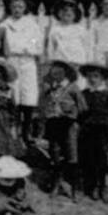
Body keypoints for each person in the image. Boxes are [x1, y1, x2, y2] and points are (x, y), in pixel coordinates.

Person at [0, 0, 43, 134]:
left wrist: (28, 50)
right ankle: (13, 129)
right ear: (10, 7)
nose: (17, 9)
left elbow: (38, 46)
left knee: (28, 95)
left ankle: (26, 131)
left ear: (25, 8)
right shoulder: (4, 25)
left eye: (20, 6)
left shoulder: (32, 24)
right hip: (12, 61)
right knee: (13, 94)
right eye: (14, 6)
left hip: (27, 61)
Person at [40, 60, 83, 201]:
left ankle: (74, 188)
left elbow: (83, 107)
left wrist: (74, 117)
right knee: (56, 155)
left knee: (72, 156)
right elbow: (44, 106)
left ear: (66, 73)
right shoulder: (50, 89)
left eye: (60, 71)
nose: (56, 74)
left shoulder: (73, 88)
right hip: (54, 125)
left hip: (69, 125)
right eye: (54, 72)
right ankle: (56, 184)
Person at [77, 63, 108, 201]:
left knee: (101, 158)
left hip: (103, 130)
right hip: (88, 130)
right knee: (88, 158)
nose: (93, 79)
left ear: (103, 79)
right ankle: (91, 186)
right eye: (90, 76)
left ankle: (102, 186)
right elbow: (80, 113)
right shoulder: (83, 94)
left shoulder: (107, 94)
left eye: (96, 76)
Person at [46, 0, 89, 70]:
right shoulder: (55, 29)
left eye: (71, 11)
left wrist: (86, 62)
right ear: (58, 14)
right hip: (61, 62)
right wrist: (52, 60)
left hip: (78, 62)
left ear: (76, 15)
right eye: (63, 11)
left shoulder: (81, 29)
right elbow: (50, 47)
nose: (67, 13)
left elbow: (87, 47)